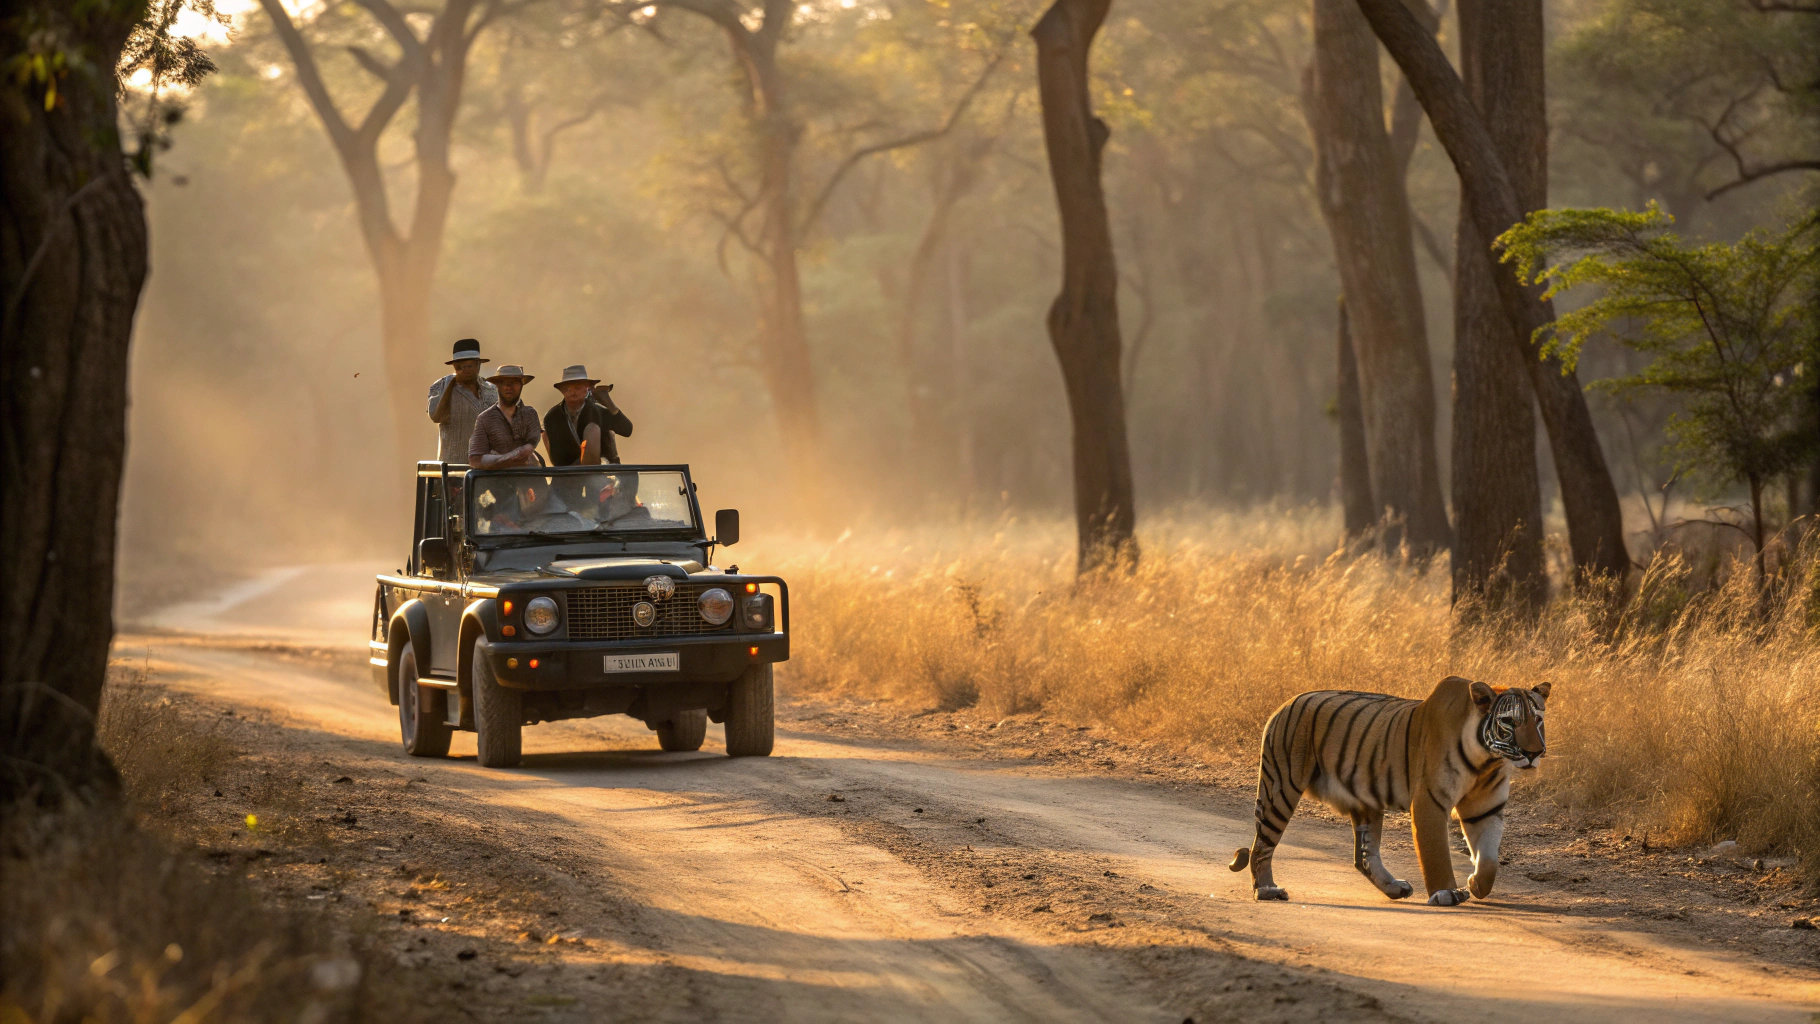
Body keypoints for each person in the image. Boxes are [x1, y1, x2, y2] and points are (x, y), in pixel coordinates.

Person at [542, 364, 634, 466]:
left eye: (577, 387)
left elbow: (627, 430)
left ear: (588, 388)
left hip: (605, 470)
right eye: (567, 388)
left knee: (592, 429)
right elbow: (557, 459)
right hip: (569, 472)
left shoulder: (598, 411)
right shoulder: (552, 417)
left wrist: (609, 403)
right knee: (544, 433)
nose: (572, 392)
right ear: (562, 391)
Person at [426, 338, 498, 464]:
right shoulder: (440, 387)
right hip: (453, 467)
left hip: (486, 468)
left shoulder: (491, 389)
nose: (466, 370)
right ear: (454, 366)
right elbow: (436, 416)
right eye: (461, 366)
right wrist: (451, 385)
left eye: (470, 365)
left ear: (478, 365)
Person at [468, 365, 543, 469]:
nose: (509, 387)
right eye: (504, 382)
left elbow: (529, 448)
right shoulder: (485, 418)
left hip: (529, 478)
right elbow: (475, 459)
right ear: (497, 385)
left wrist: (496, 458)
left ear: (521, 385)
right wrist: (511, 459)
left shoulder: (530, 414)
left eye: (515, 382)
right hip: (498, 481)